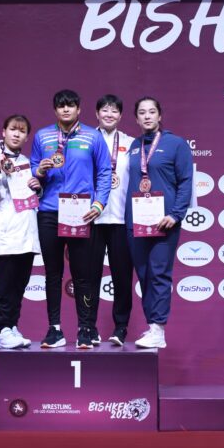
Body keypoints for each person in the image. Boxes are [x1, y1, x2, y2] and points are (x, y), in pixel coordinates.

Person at [31, 89, 112, 349]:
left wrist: (99, 203)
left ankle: (85, 328)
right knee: (52, 274)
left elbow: (105, 172)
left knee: (82, 274)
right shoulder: (42, 136)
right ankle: (54, 329)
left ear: (79, 109)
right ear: (55, 110)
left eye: (70, 105)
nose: (66, 109)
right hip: (49, 211)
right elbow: (33, 169)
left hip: (81, 211)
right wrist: (38, 171)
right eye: (61, 106)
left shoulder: (93, 136)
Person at [125, 97, 192, 348]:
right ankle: (152, 325)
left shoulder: (176, 144)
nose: (147, 116)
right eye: (142, 112)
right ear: (136, 118)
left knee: (159, 274)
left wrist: (176, 214)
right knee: (144, 275)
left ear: (159, 115)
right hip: (137, 222)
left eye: (152, 112)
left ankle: (159, 328)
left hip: (165, 222)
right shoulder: (134, 146)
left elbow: (186, 181)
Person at [0, 114, 41, 350]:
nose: (16, 134)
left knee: (19, 285)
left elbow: (30, 197)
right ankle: (1, 330)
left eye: (22, 131)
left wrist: (38, 188)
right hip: (2, 234)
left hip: (26, 234)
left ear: (26, 137)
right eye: (13, 129)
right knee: (4, 285)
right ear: (3, 132)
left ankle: (11, 326)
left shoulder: (28, 162)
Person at [89, 94, 135, 346]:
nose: (109, 114)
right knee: (89, 277)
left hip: (120, 219)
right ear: (97, 113)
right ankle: (89, 327)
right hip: (91, 219)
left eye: (114, 111)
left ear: (120, 115)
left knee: (122, 277)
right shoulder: (85, 140)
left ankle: (120, 328)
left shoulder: (130, 143)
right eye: (104, 110)